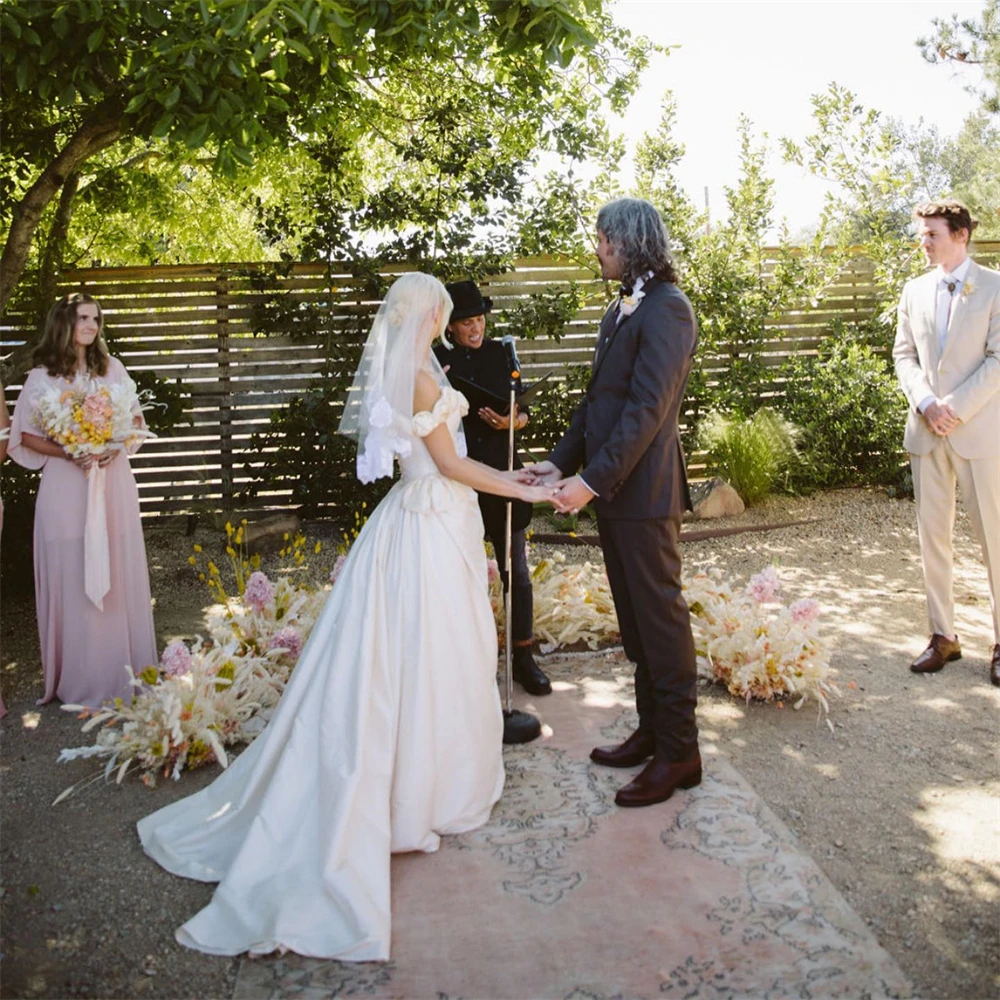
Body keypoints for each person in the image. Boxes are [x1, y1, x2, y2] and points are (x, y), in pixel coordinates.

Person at [137, 273, 555, 960]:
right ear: (430, 314)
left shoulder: (420, 367)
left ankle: (433, 772)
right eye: (443, 311)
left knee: (440, 650)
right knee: (427, 651)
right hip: (428, 521)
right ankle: (417, 789)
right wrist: (518, 481)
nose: (450, 318)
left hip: (431, 522)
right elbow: (449, 465)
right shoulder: (420, 379)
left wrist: (520, 472)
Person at [525, 197, 701, 808]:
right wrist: (559, 462)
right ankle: (653, 733)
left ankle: (681, 751)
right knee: (635, 625)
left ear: (627, 242)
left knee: (661, 620)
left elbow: (645, 414)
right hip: (615, 495)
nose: (596, 248)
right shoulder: (620, 308)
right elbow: (599, 403)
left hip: (645, 495)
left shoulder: (669, 311)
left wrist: (591, 482)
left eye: (602, 239)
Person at [8, 294, 157, 708]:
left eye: (96, 318)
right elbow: (26, 437)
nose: (91, 325)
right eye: (83, 318)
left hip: (111, 482)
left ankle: (121, 672)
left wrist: (115, 445)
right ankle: (78, 677)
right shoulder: (42, 377)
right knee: (71, 572)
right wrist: (68, 451)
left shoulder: (112, 369)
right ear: (63, 323)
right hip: (65, 486)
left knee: (116, 565)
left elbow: (138, 423)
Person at [893, 200, 1000, 687]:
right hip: (926, 432)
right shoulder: (913, 290)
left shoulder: (995, 286)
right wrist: (925, 403)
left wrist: (952, 407)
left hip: (978, 432)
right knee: (932, 539)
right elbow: (904, 355)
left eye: (932, 233)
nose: (924, 241)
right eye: (922, 233)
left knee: (994, 541)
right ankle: (943, 636)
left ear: (960, 234)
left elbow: (997, 359)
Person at [433, 279, 551, 695]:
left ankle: (523, 655)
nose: (475, 329)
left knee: (515, 570)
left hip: (503, 474)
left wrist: (513, 421)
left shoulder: (503, 353)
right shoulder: (436, 362)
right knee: (460, 575)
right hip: (459, 481)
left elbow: (522, 410)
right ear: (451, 327)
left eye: (480, 320)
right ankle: (467, 660)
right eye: (466, 323)